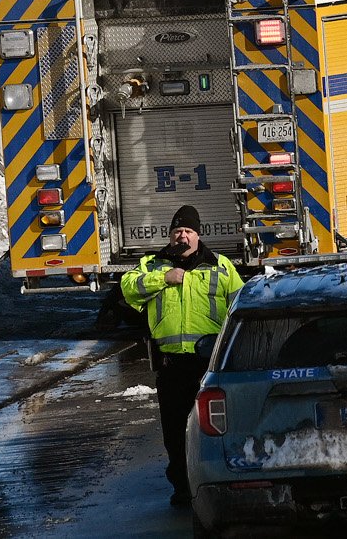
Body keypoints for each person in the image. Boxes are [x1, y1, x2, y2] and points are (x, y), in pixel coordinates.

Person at [122, 205, 242, 506]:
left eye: (188, 231)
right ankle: (182, 487)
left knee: (216, 426)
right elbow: (128, 289)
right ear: (170, 235)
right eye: (177, 232)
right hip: (172, 364)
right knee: (175, 430)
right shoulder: (152, 265)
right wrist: (164, 278)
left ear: (198, 235)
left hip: (211, 365)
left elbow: (242, 306)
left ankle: (223, 479)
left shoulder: (221, 266)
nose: (182, 237)